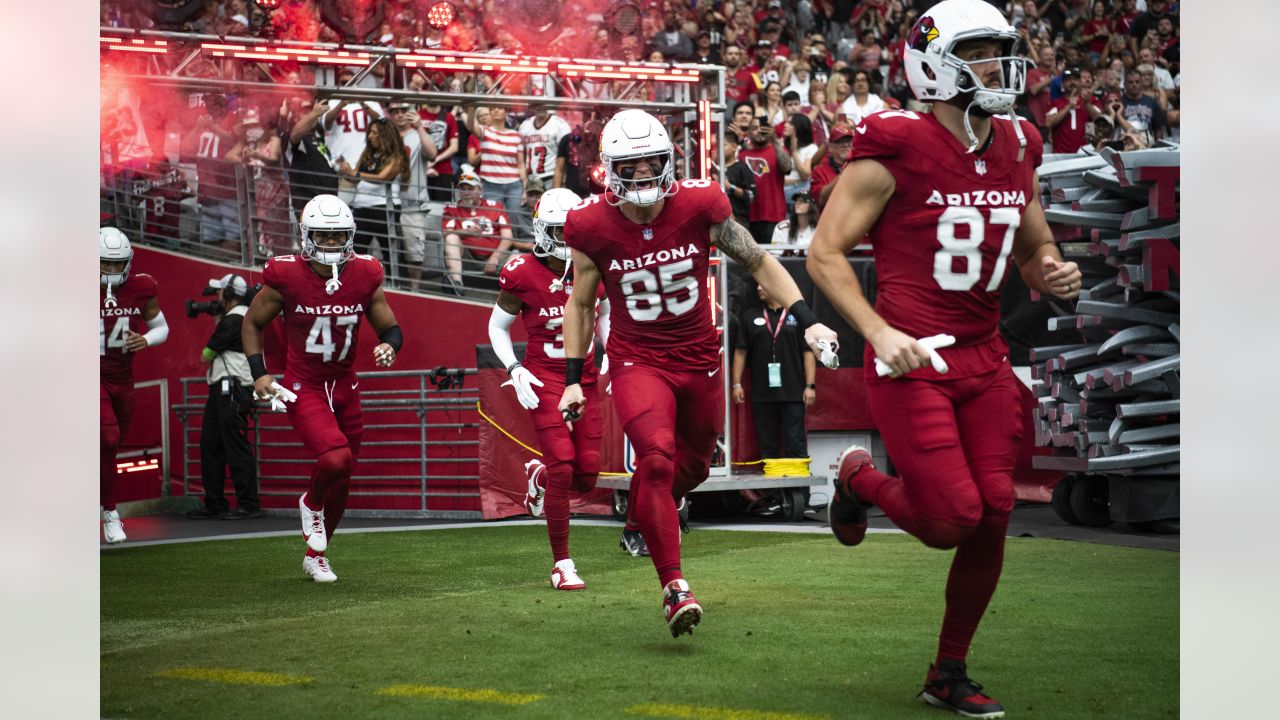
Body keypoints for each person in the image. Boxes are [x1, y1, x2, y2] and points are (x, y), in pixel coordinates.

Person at [806, 2, 1083, 715]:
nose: (1000, 65)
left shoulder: (1019, 140)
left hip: (985, 357)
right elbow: (824, 252)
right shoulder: (896, 140)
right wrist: (877, 332)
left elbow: (1031, 244)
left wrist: (1050, 267)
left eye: (1001, 50)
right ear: (936, 64)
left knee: (992, 514)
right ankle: (860, 480)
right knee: (948, 520)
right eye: (982, 51)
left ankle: (947, 672)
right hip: (912, 357)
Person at [556, 109, 837, 637]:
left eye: (650, 164)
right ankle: (673, 586)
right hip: (639, 359)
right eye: (630, 166)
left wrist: (807, 321)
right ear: (609, 170)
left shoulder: (699, 204)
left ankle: (641, 515)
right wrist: (575, 374)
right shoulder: (590, 224)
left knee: (694, 470)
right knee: (657, 459)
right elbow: (580, 303)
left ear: (667, 162)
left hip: (700, 357)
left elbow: (758, 261)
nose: (641, 176)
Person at [242, 194, 403, 583]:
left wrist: (390, 346)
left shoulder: (365, 273)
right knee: (335, 460)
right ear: (306, 235)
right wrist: (260, 374)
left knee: (344, 477)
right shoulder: (286, 275)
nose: (331, 245)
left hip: (346, 384)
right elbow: (251, 323)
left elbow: (390, 327)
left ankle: (317, 554)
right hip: (305, 384)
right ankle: (310, 502)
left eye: (338, 237)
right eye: (323, 237)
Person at [487, 188, 619, 589]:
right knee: (563, 464)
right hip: (543, 379)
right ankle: (562, 563)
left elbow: (605, 313)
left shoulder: (593, 265)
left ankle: (540, 479)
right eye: (558, 232)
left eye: (571, 232)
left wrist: (609, 348)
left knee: (586, 476)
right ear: (542, 230)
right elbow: (497, 326)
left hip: (587, 381)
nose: (566, 240)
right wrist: (514, 367)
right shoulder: (522, 272)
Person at [100, 227, 168, 544]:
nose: (112, 270)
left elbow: (161, 327)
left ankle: (103, 507)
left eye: (118, 264)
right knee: (109, 437)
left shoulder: (141, 287)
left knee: (108, 449)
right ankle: (112, 513)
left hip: (122, 377)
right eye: (105, 263)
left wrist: (146, 338)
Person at [187, 274, 260, 520]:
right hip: (225, 388)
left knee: (232, 446)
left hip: (233, 388)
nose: (216, 297)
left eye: (220, 293)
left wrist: (218, 319)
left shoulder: (234, 320)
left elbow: (206, 353)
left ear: (229, 295)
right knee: (212, 444)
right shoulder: (238, 317)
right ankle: (215, 503)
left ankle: (248, 504)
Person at [731, 283, 816, 460]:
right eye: (757, 285)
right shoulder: (749, 316)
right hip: (762, 394)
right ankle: (773, 489)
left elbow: (808, 352)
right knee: (767, 446)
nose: (759, 288)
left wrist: (810, 385)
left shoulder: (797, 316)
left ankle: (798, 489)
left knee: (795, 443)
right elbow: (740, 351)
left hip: (793, 393)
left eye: (764, 284)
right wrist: (736, 384)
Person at [336, 117, 408, 260]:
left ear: (385, 135)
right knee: (356, 252)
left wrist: (355, 173)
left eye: (374, 133)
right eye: (370, 133)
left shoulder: (397, 157)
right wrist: (346, 171)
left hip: (385, 209)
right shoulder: (368, 154)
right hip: (361, 207)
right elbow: (355, 178)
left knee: (391, 253)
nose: (370, 136)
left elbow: (383, 177)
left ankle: (397, 282)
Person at [388, 100, 439, 292]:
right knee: (388, 247)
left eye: (404, 110)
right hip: (386, 200)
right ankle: (392, 285)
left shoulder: (418, 134)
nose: (400, 114)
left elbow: (432, 153)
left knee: (414, 251)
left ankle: (415, 290)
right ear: (390, 114)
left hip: (413, 201)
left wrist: (419, 126)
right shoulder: (385, 136)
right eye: (395, 111)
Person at [441, 170, 518, 295]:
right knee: (451, 238)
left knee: (518, 259)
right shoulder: (452, 208)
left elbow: (508, 237)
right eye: (463, 189)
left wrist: (494, 258)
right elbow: (445, 234)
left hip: (495, 258)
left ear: (480, 190)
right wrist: (465, 232)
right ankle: (456, 284)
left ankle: (508, 297)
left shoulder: (495, 206)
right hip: (467, 257)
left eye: (470, 189)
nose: (466, 193)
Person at [738, 114, 793, 245]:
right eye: (755, 128)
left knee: (773, 259)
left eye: (763, 127)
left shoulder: (778, 150)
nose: (760, 131)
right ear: (749, 132)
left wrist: (774, 139)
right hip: (747, 217)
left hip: (774, 215)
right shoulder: (741, 154)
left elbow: (787, 168)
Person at [1044, 68, 1102, 153]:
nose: (1072, 82)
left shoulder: (1091, 100)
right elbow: (1048, 123)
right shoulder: (1056, 103)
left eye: (1075, 79)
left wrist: (1087, 104)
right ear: (1062, 84)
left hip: (1085, 154)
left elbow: (1100, 122)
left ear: (1080, 82)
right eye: (1068, 80)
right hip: (1061, 155)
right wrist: (1068, 106)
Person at [517, 104, 572, 190]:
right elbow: (522, 156)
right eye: (538, 103)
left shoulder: (559, 125)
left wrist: (557, 186)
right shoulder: (525, 125)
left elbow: (563, 160)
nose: (541, 107)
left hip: (550, 178)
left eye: (543, 103)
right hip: (530, 179)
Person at [808, 124, 853, 211]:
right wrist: (845, 173)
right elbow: (821, 200)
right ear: (830, 147)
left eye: (849, 141)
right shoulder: (819, 171)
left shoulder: (859, 166)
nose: (846, 145)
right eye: (841, 141)